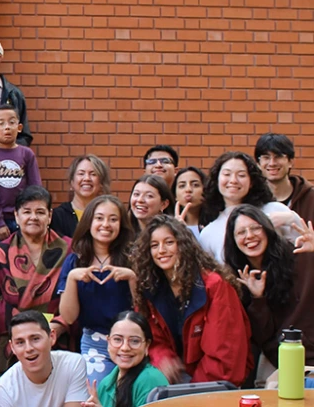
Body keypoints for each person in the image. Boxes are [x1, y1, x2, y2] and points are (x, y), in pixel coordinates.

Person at [132, 215, 252, 384]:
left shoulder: (215, 285)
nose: (161, 250)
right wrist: (163, 359)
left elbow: (223, 352)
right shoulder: (150, 288)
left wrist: (191, 390)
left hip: (213, 382)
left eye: (169, 242)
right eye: (154, 245)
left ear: (183, 245)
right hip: (175, 378)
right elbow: (150, 338)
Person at [0, 186, 71, 372]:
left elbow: (76, 299)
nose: (33, 217)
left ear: (49, 216)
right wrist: (28, 333)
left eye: (40, 212)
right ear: (16, 216)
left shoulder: (69, 250)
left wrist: (54, 328)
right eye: (27, 212)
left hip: (57, 337)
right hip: (14, 341)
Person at [223, 205, 314, 374]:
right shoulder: (237, 278)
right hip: (282, 361)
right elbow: (262, 337)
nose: (249, 236)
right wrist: (258, 299)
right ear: (233, 240)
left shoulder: (301, 256)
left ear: (267, 230)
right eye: (241, 232)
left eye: (255, 228)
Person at [57, 195, 137, 384]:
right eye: (99, 218)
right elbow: (68, 317)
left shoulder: (133, 258)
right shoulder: (75, 261)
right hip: (95, 342)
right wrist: (72, 279)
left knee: (132, 398)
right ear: (89, 222)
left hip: (131, 340)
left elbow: (145, 309)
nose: (106, 224)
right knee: (99, 396)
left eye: (113, 219)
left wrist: (132, 278)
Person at [199, 151, 297, 263]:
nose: (233, 181)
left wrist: (292, 218)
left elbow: (304, 248)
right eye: (227, 174)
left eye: (241, 175)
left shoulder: (275, 210)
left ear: (251, 182)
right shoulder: (208, 233)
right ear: (217, 180)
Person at [0, 104, 42, 240]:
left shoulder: (27, 154)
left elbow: (35, 189)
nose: (7, 127)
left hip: (23, 219)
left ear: (19, 127)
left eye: (11, 122)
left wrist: (29, 215)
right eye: (1, 123)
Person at [256, 132, 314, 222]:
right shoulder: (252, 198)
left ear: (290, 161)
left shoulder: (310, 198)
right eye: (266, 157)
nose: (272, 163)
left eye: (278, 156)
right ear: (258, 164)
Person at [51, 155, 110, 238]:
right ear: (71, 182)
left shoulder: (110, 215)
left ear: (101, 183)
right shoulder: (57, 216)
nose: (86, 178)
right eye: (81, 173)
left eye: (93, 174)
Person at [172, 166, 206, 236]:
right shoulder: (168, 227)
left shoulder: (216, 225)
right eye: (182, 186)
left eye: (195, 185)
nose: (188, 189)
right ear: (175, 195)